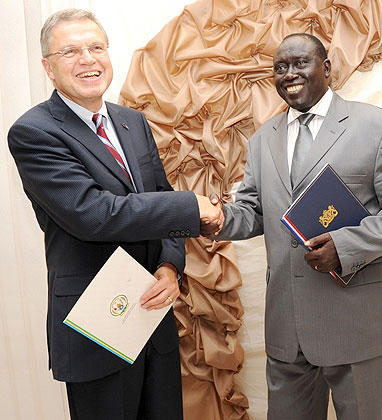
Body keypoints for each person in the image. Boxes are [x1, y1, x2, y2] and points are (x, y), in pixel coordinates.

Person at [8, 9, 222, 420]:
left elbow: (159, 201)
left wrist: (168, 266)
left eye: (95, 47)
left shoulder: (131, 122)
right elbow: (95, 215)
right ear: (47, 68)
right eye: (69, 51)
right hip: (97, 328)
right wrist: (191, 205)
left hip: (152, 317)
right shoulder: (34, 132)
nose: (87, 59)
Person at [202, 33, 382, 420]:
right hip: (287, 330)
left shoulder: (377, 127)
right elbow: (255, 212)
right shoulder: (261, 141)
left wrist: (345, 245)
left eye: (299, 63)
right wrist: (220, 220)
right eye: (280, 67)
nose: (289, 74)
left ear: (326, 68)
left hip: (359, 324)